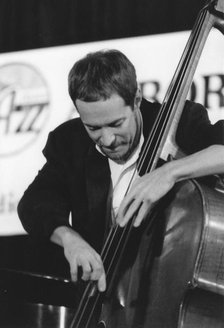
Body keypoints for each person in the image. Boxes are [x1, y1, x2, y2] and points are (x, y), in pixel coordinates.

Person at [18, 49, 224, 323]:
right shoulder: (69, 143)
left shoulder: (180, 122)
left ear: (136, 99)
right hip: (105, 313)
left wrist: (170, 172)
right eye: (93, 128)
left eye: (116, 124)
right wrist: (70, 240)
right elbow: (33, 204)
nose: (107, 140)